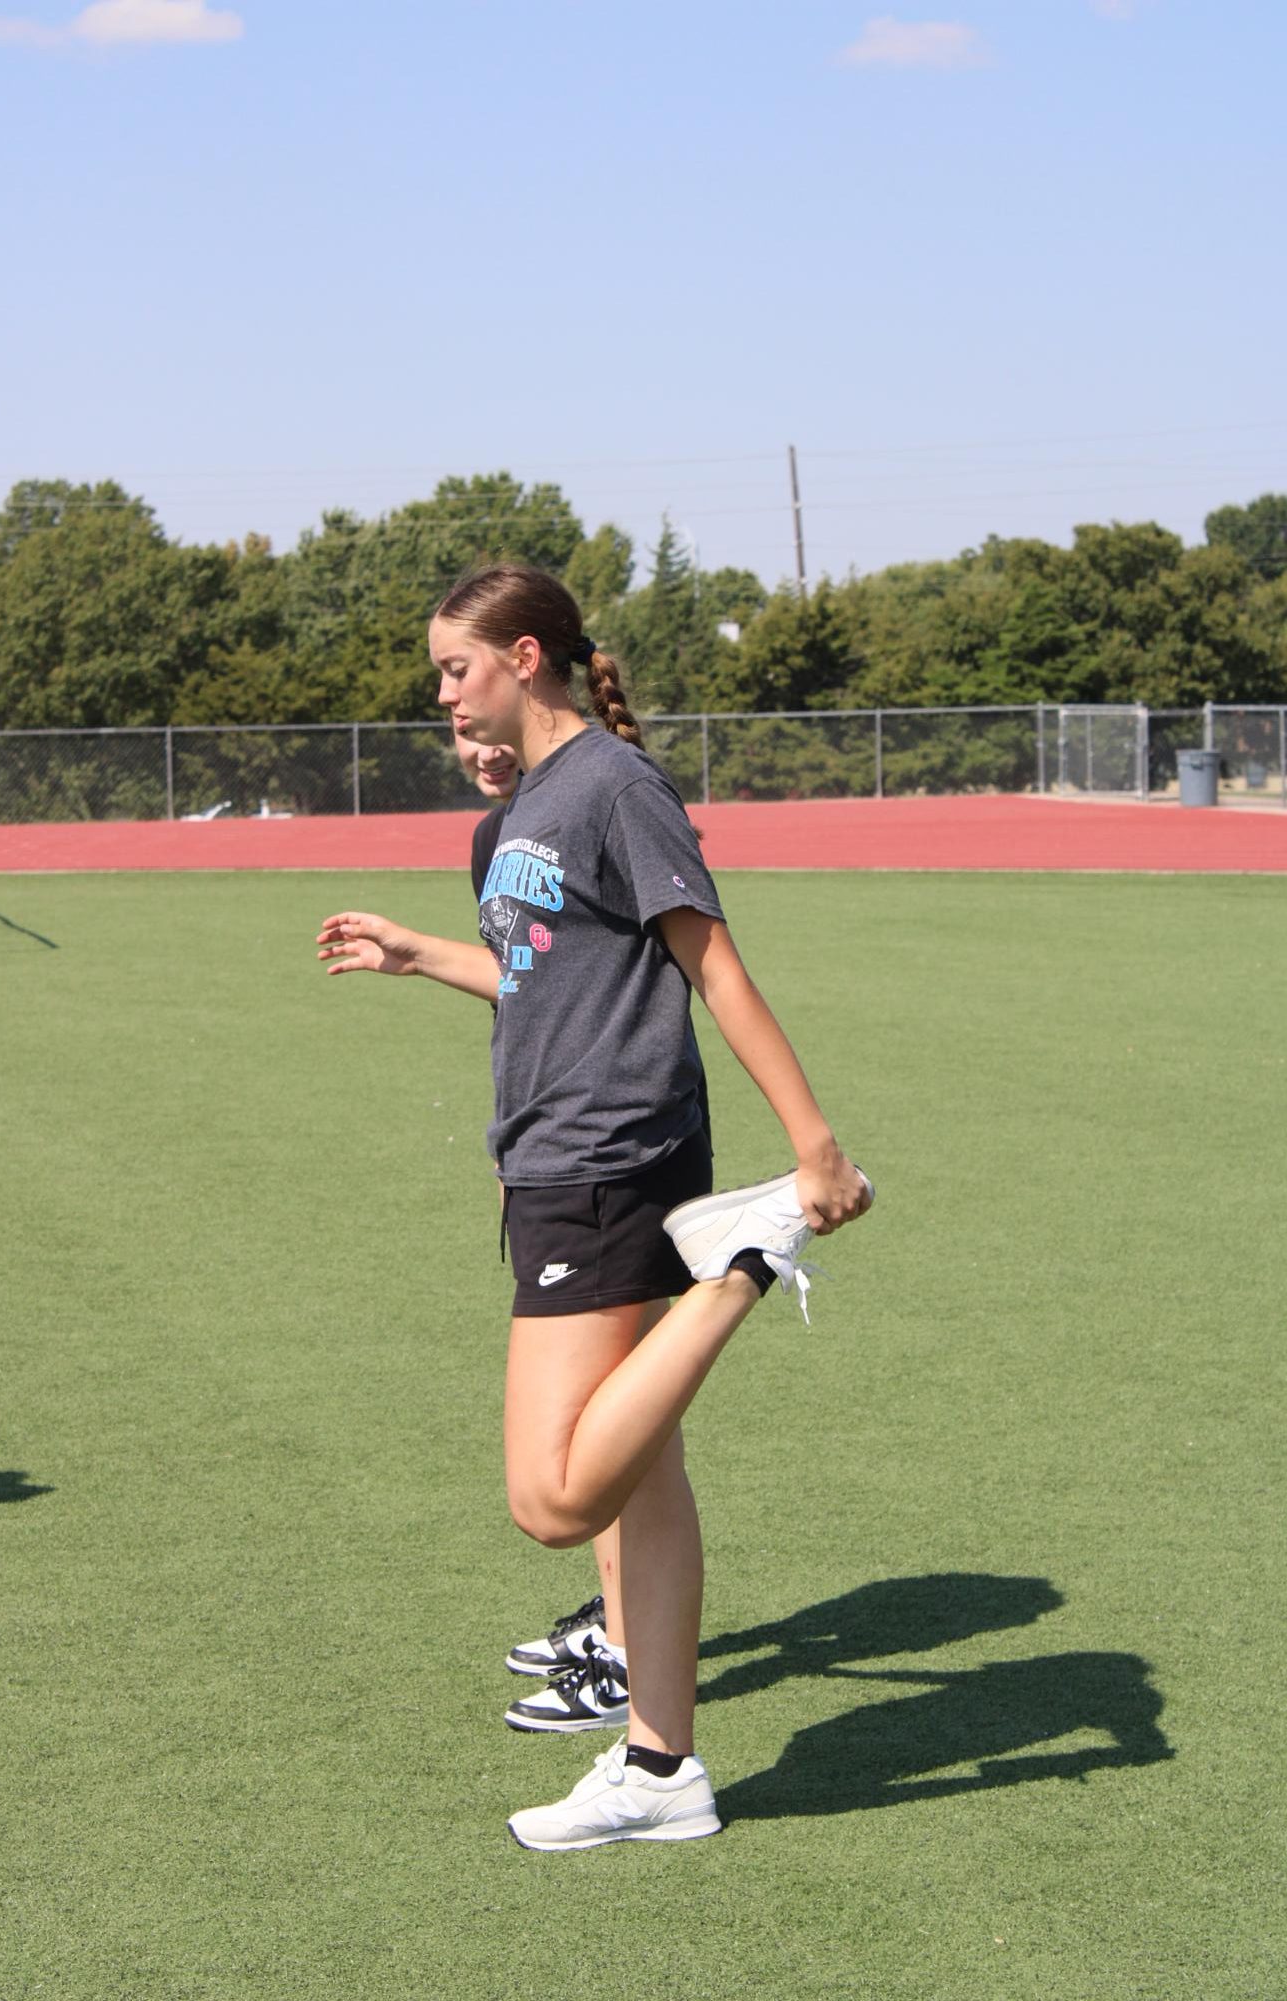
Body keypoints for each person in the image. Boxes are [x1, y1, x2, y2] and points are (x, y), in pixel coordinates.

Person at [317, 565, 873, 1849]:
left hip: (606, 1164)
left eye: (455, 669)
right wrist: (420, 956)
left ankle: (742, 1254)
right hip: (560, 1163)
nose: (442, 696)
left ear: (523, 656)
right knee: (637, 1475)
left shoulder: (614, 788)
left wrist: (812, 1144)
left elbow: (710, 964)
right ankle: (661, 1768)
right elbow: (540, 981)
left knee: (552, 1499)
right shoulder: (512, 812)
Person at [455, 724, 631, 1731]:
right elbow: (524, 988)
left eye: (473, 709)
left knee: (601, 1429)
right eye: (451, 727)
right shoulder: (495, 839)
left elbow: (618, 984)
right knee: (618, 1418)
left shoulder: (587, 809)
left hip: (602, 1147)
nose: (468, 737)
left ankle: (628, 1641)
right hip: (544, 1143)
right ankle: (622, 1620)